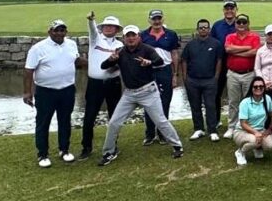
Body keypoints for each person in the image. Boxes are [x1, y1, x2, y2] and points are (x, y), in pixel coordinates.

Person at [98, 25, 183, 166]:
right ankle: (109, 152)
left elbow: (160, 61)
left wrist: (149, 62)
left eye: (133, 35)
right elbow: (103, 66)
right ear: (124, 38)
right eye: (128, 36)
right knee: (114, 122)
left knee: (160, 121)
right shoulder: (120, 52)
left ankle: (177, 146)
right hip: (129, 94)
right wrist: (111, 60)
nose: (131, 38)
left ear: (138, 37)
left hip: (148, 91)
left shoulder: (147, 49)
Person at [24, 19, 84, 167]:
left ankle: (64, 150)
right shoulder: (38, 48)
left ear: (66, 32)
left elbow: (76, 61)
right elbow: (28, 71)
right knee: (43, 122)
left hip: (67, 89)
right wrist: (27, 92)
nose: (59, 33)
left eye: (62, 30)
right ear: (50, 31)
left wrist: (94, 64)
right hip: (45, 91)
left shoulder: (71, 44)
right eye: (56, 30)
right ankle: (42, 154)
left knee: (65, 120)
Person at [79, 12, 123, 160]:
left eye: (112, 26)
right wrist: (91, 20)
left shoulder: (120, 45)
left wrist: (116, 66)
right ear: (102, 28)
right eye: (106, 26)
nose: (108, 28)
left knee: (114, 116)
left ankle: (112, 145)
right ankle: (86, 147)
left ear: (116, 29)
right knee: (90, 116)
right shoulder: (96, 39)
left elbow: (122, 63)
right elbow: (92, 30)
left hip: (113, 83)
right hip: (95, 84)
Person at [139, 9, 180, 146]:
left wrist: (175, 74)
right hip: (148, 71)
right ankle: (150, 134)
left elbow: (174, 54)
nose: (157, 21)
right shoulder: (143, 35)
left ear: (162, 19)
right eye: (154, 19)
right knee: (148, 102)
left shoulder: (171, 34)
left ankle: (163, 134)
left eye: (159, 18)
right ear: (149, 20)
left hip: (165, 70)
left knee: (165, 102)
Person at [180, 18, 224, 142]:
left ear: (209, 29)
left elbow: (219, 61)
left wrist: (216, 77)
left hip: (209, 80)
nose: (203, 29)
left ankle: (212, 130)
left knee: (210, 106)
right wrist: (185, 77)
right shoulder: (191, 44)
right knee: (195, 105)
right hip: (193, 80)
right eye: (201, 28)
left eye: (205, 27)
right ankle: (198, 129)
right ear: (197, 30)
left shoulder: (216, 44)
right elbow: (184, 60)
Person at [222, 14, 260, 139]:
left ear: (248, 23)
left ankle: (247, 126)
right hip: (233, 73)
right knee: (233, 101)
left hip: (249, 73)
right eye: (239, 22)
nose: (241, 25)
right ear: (235, 24)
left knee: (248, 101)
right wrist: (246, 48)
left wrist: (236, 52)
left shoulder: (254, 36)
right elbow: (228, 49)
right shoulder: (230, 36)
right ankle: (232, 126)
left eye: (244, 22)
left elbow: (254, 52)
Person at [233, 77, 272, 165]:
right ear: (251, 88)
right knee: (255, 140)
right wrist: (255, 133)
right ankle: (240, 152)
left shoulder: (267, 99)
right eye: (255, 86)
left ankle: (257, 148)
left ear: (264, 88)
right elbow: (243, 124)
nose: (258, 88)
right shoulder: (245, 102)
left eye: (261, 86)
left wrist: (270, 128)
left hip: (261, 130)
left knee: (271, 145)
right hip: (242, 131)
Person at [211, 0, 238, 117]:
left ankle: (237, 120)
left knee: (236, 94)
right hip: (219, 63)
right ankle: (216, 119)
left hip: (235, 63)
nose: (229, 11)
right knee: (216, 92)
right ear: (223, 10)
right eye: (227, 9)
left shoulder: (241, 24)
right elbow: (211, 44)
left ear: (236, 10)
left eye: (232, 8)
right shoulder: (217, 25)